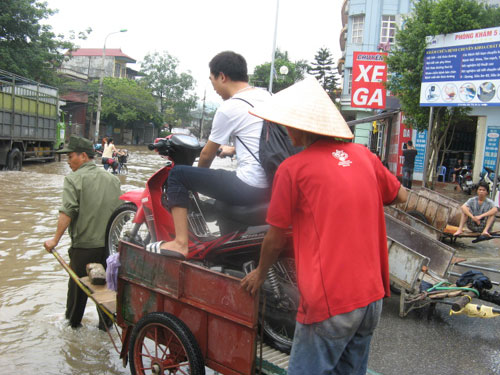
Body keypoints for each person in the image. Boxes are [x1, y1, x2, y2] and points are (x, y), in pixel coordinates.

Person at [240, 77, 407, 375]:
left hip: (332, 301)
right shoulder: (365, 156)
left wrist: (260, 272)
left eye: (287, 123)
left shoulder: (293, 169)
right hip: (371, 299)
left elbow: (275, 238)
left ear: (300, 126)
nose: (284, 128)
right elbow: (400, 194)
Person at [149, 51, 271, 258]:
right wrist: (233, 149)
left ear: (222, 76)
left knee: (178, 174)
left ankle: (180, 243)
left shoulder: (230, 107)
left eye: (212, 80)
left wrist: (195, 183)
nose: (214, 87)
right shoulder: (268, 97)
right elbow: (262, 137)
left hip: (250, 186)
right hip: (272, 183)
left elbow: (206, 155)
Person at [43, 135, 121, 329]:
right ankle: (105, 328)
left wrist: (54, 240)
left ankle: (72, 332)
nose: (68, 161)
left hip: (84, 248)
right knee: (107, 292)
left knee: (77, 296)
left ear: (84, 156)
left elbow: (67, 211)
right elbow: (121, 213)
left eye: (70, 157)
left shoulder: (73, 179)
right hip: (110, 249)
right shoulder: (112, 179)